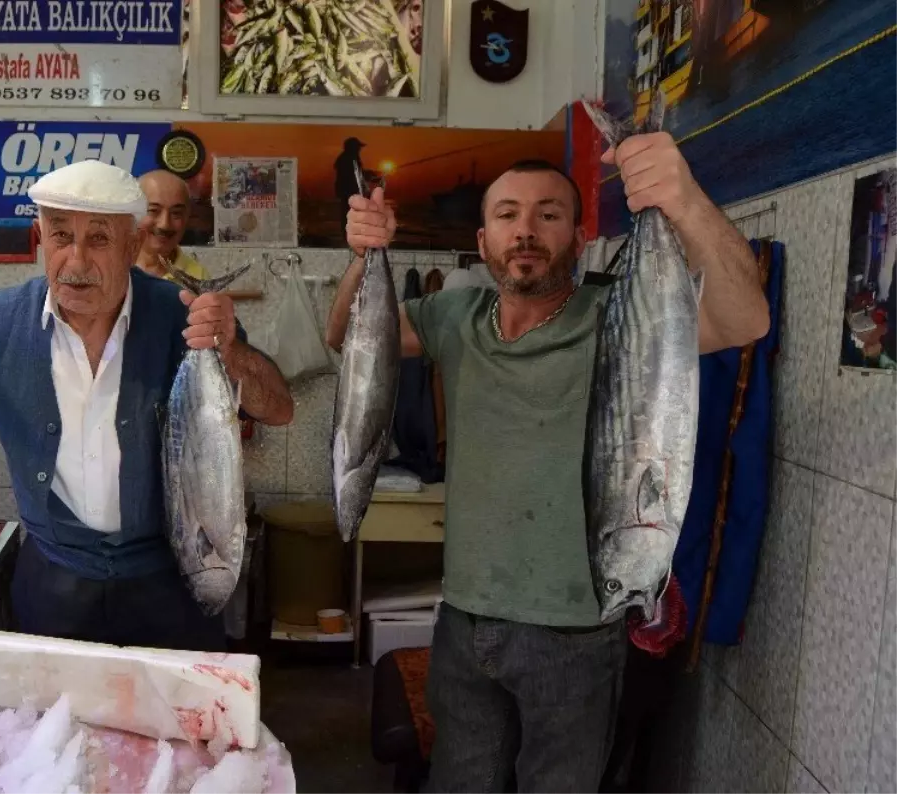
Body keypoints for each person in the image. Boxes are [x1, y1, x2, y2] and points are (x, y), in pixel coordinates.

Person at [327, 133, 770, 794]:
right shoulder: (453, 316)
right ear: (483, 242)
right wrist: (364, 256)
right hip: (464, 622)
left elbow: (746, 319)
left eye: (548, 214)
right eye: (507, 215)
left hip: (575, 636)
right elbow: (349, 337)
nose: (526, 230)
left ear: (580, 238)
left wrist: (684, 201)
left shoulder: (623, 317)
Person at [0, 159, 294, 653]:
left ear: (135, 245)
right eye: (61, 236)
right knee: (49, 723)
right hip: (51, 586)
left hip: (172, 583)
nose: (77, 261)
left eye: (101, 240)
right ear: (39, 237)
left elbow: (277, 409)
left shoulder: (183, 317)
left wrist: (231, 350)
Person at [135, 169, 210, 283]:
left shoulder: (198, 277)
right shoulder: (113, 266)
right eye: (154, 210)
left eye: (176, 213)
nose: (164, 224)